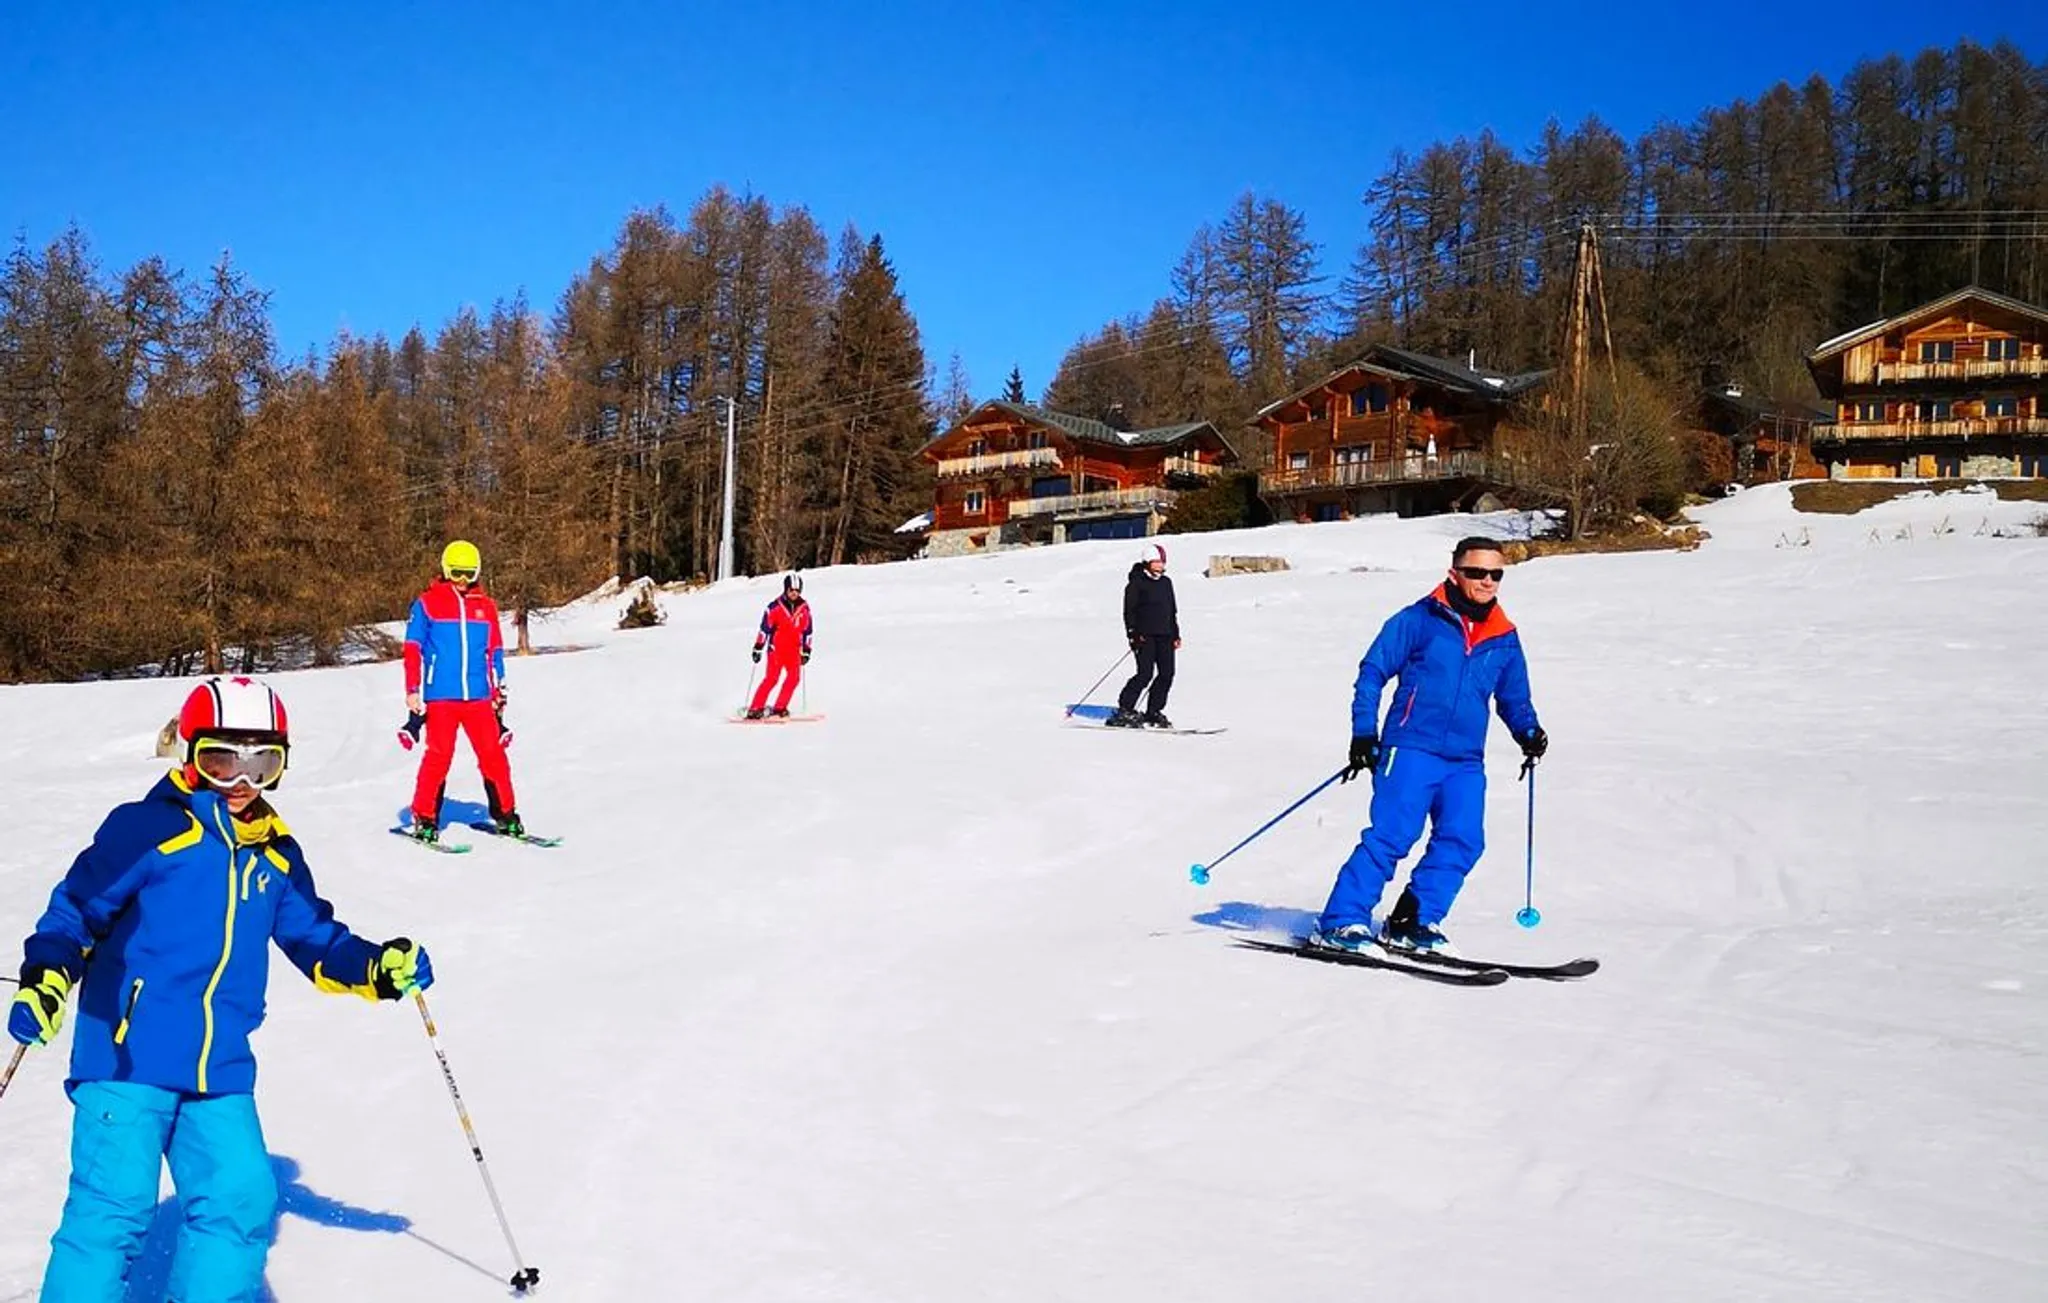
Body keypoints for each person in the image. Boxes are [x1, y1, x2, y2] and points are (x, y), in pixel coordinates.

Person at [8, 675, 434, 1301]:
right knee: (115, 1211)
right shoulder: (148, 828)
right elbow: (75, 911)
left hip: (219, 1070)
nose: (241, 781)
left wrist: (375, 967)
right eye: (221, 759)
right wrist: (46, 977)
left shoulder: (274, 854)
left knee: (240, 1200)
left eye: (263, 763)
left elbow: (315, 940)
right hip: (127, 1059)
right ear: (190, 754)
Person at [1311, 537, 1548, 955]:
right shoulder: (1419, 619)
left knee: (1463, 839)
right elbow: (1372, 672)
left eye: (1496, 574)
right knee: (1393, 836)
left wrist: (1528, 731)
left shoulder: (1504, 637)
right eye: (1477, 572)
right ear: (1454, 572)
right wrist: (1364, 733)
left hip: (1465, 759)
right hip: (1411, 748)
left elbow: (1513, 698)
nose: (1487, 581)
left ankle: (1413, 921)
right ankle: (1342, 921)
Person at [403, 539, 522, 841]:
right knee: (439, 755)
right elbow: (412, 647)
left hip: (479, 697)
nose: (462, 581)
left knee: (493, 755)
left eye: (468, 574)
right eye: (456, 573)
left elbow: (494, 650)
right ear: (445, 571)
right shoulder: (428, 603)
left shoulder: (485, 606)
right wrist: (413, 689)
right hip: (442, 695)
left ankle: (506, 815)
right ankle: (425, 816)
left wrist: (499, 689)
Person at [1108, 541, 1180, 728]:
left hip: (1165, 635)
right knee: (1145, 674)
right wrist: (1133, 634)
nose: (1161, 565)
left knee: (1167, 674)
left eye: (1162, 562)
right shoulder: (1136, 583)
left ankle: (1153, 711)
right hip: (1144, 636)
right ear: (1148, 562)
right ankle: (1125, 709)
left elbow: (1171, 611)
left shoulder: (1166, 583)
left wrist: (1175, 634)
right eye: (1157, 561)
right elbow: (1129, 611)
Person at [746, 574, 814, 720]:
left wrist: (807, 650)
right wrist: (758, 647)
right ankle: (755, 708)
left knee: (794, 678)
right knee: (771, 679)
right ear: (785, 589)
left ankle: (780, 707)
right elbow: (764, 629)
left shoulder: (804, 608)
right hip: (776, 650)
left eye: (797, 590)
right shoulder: (774, 607)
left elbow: (808, 631)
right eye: (791, 590)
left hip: (794, 650)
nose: (794, 593)